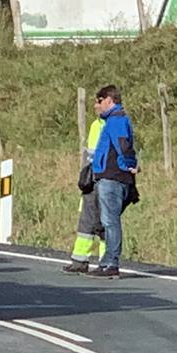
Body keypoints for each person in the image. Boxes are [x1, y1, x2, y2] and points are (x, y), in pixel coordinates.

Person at [88, 84, 138, 279]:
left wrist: (130, 164)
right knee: (107, 221)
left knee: (110, 221)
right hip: (109, 176)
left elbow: (123, 146)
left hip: (113, 177)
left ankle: (111, 262)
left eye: (99, 101)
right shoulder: (112, 120)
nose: (97, 105)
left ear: (109, 100)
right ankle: (107, 262)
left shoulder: (116, 120)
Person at [63, 114, 106, 274]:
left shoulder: (113, 124)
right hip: (91, 178)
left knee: (105, 222)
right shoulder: (96, 124)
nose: (96, 106)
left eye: (99, 101)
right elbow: (90, 154)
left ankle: (106, 262)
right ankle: (80, 260)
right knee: (86, 221)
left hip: (105, 179)